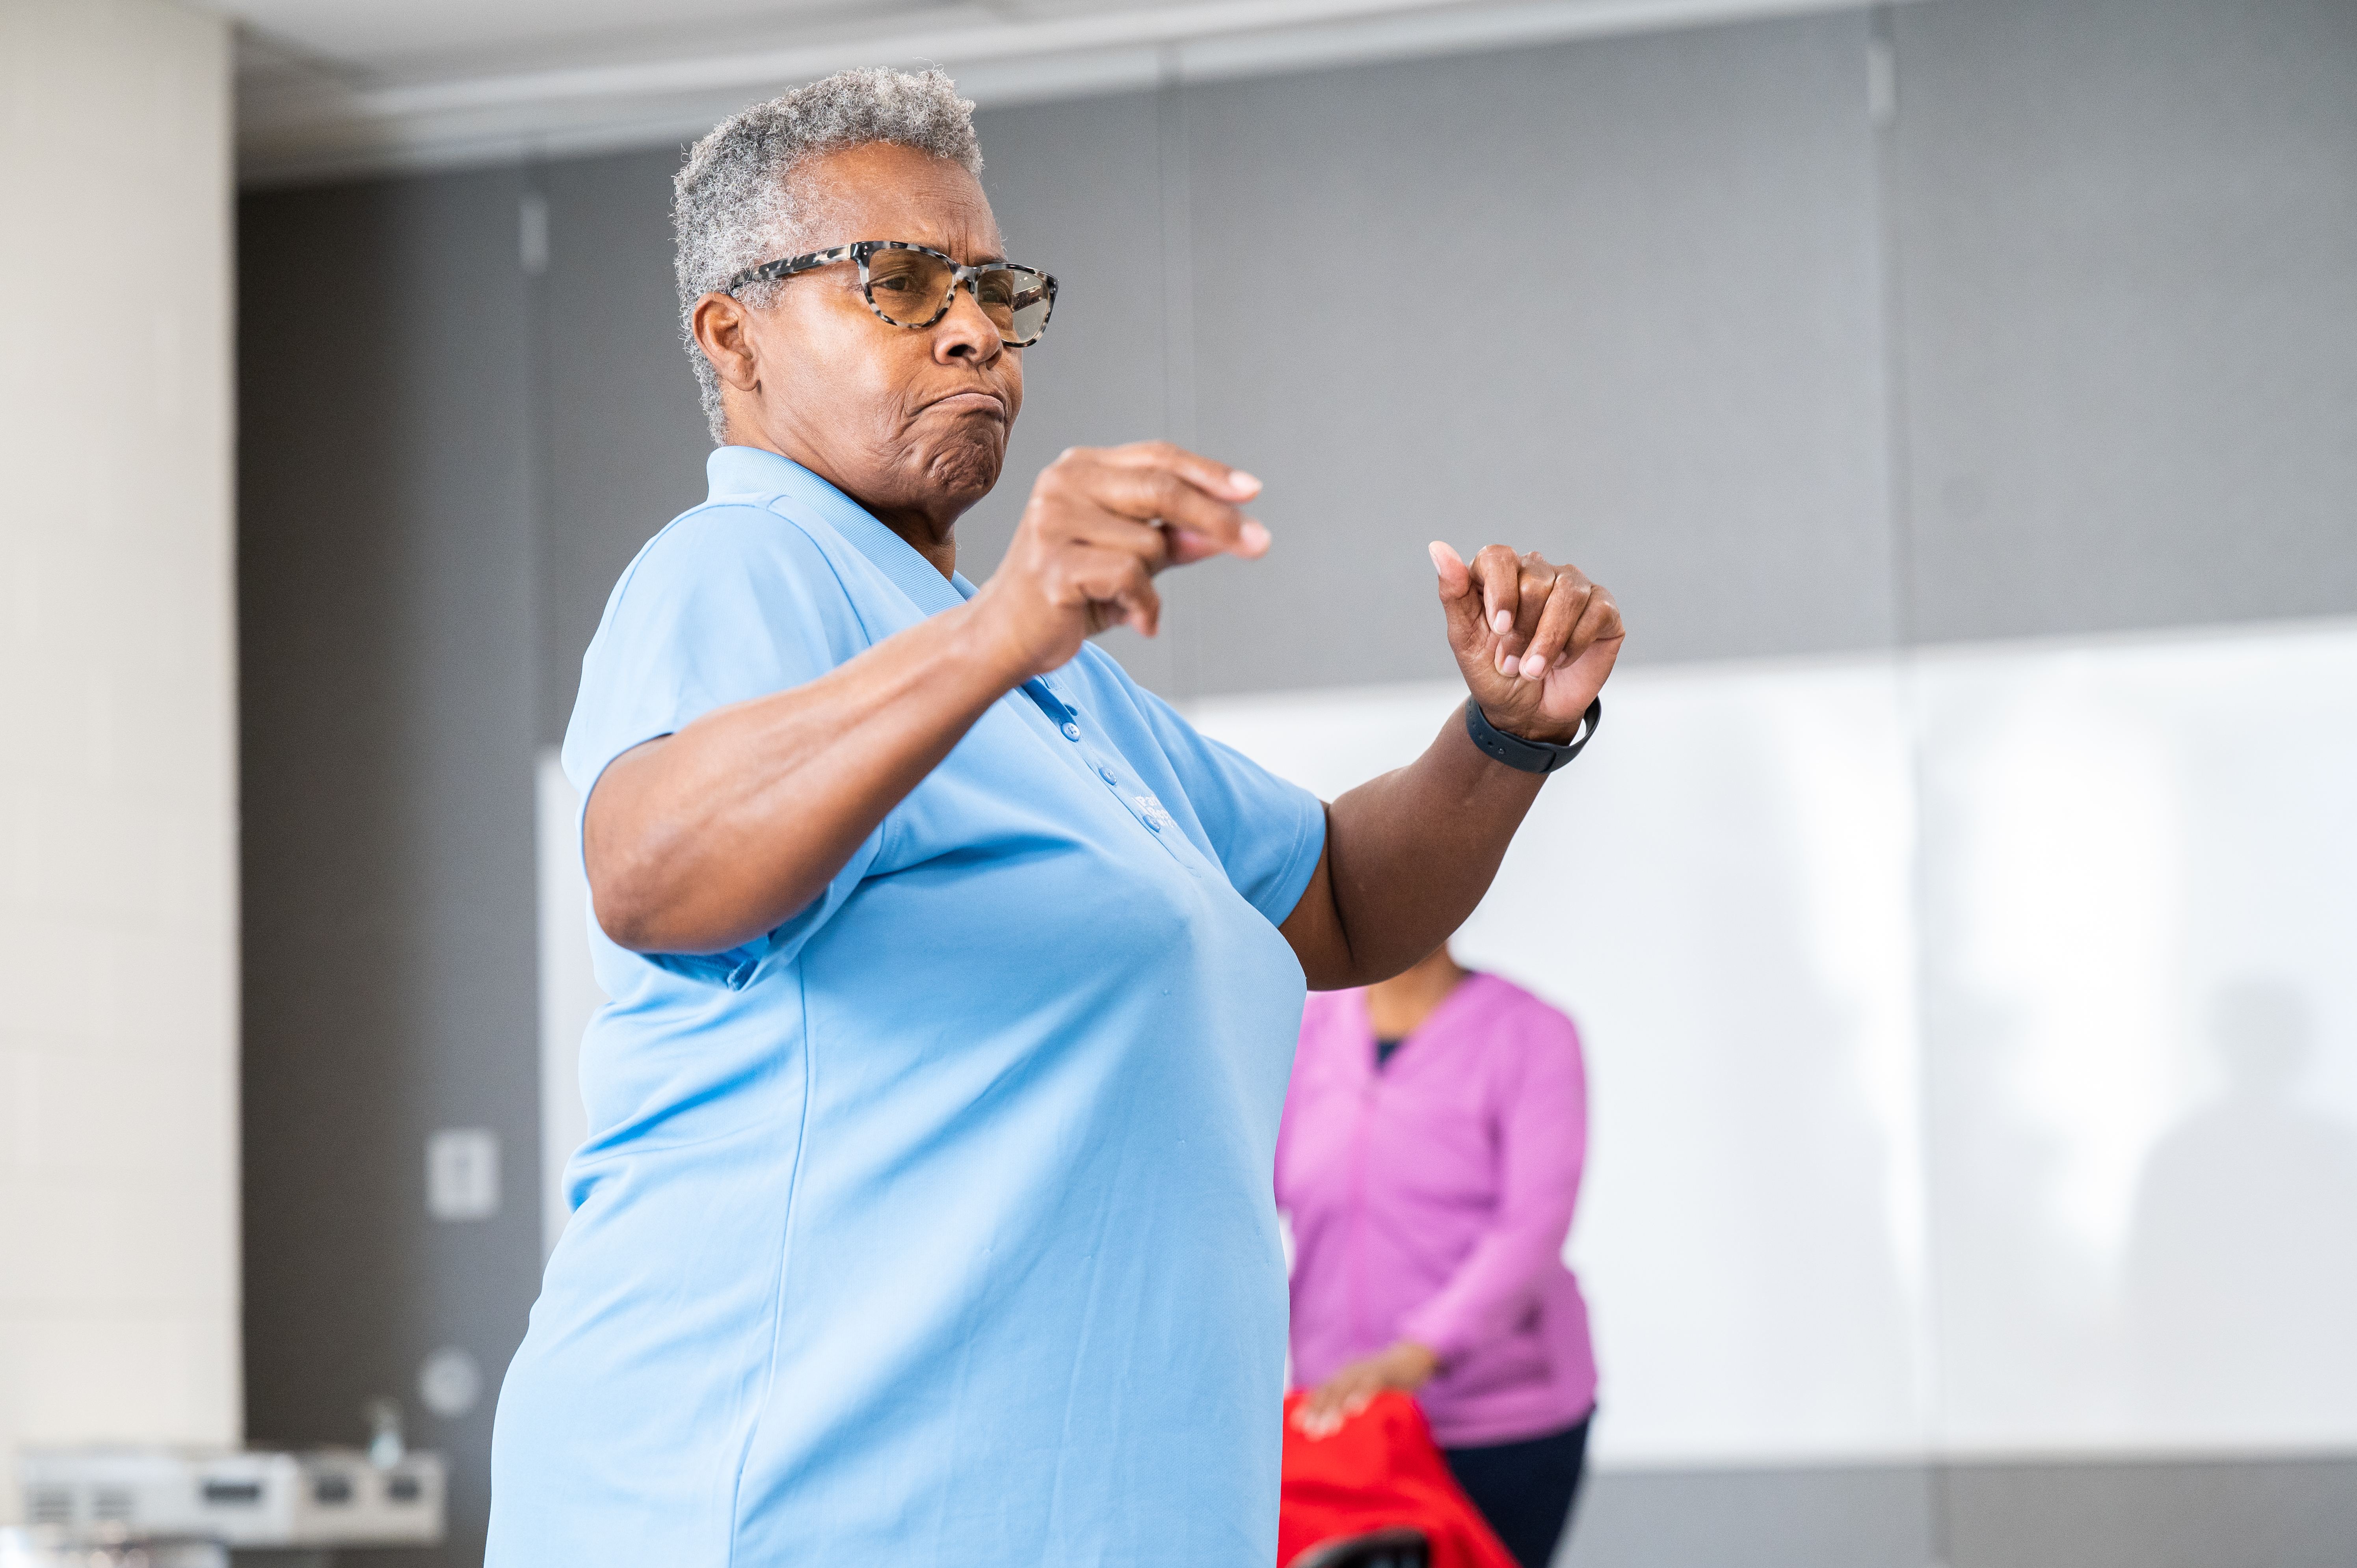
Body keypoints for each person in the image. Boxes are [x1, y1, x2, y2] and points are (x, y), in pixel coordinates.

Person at [487, 67, 1622, 1567]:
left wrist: (1506, 734)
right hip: (795, 1507)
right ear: (733, 334)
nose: (972, 329)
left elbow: (1345, 904)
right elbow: (648, 872)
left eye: (991, 288)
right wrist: (1000, 631)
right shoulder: (743, 568)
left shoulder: (1048, 685)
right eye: (898, 282)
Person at [1279, 942, 1596, 1568]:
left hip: (1498, 1422)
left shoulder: (1530, 1033)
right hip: (1345, 1420)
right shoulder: (1302, 1029)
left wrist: (1418, 1352)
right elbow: (1243, 1190)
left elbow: (1532, 1226)